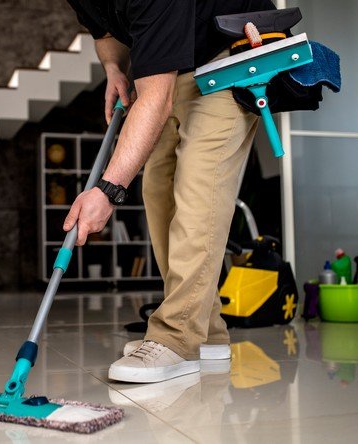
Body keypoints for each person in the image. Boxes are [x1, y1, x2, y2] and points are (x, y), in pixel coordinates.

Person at [64, 0, 275, 383]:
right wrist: (113, 68)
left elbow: (155, 99)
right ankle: (208, 332)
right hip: (177, 65)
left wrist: (107, 191)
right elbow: (103, 30)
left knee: (198, 190)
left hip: (229, 57)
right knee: (157, 189)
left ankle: (177, 336)